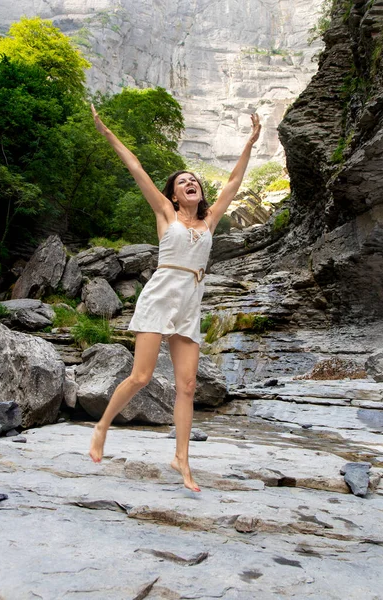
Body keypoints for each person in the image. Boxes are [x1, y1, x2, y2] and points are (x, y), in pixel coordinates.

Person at [89, 104, 261, 492]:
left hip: (190, 302)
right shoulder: (166, 214)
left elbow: (233, 180)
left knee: (186, 387)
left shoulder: (210, 219)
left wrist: (250, 142)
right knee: (141, 376)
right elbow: (136, 168)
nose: (190, 183)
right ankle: (102, 427)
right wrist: (106, 132)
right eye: (182, 180)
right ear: (173, 193)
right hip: (161, 295)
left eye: (194, 180)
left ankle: (182, 458)